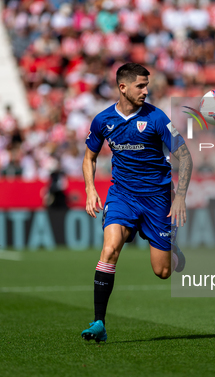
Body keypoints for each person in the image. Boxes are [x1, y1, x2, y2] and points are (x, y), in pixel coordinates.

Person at [81, 63, 192, 342]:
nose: (146, 91)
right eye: (140, 86)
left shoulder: (157, 118)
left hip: (157, 200)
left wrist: (179, 197)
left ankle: (172, 247)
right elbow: (89, 158)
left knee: (163, 271)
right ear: (123, 87)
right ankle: (99, 323)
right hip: (123, 196)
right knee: (109, 250)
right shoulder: (103, 120)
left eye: (147, 85)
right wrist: (90, 189)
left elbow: (185, 156)